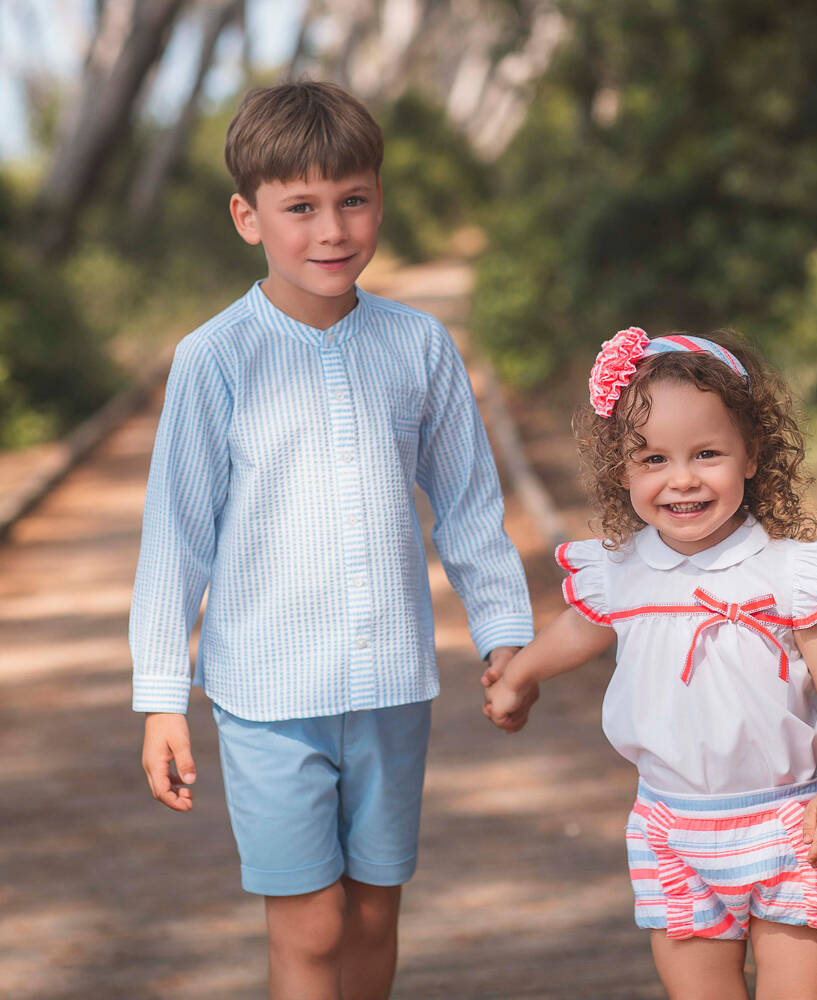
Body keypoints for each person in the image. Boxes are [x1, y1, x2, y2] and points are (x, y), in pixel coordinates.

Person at [130, 81, 535, 1000]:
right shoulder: (214, 359)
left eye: (353, 200)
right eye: (300, 207)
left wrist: (507, 640)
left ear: (380, 201)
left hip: (392, 684)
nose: (331, 231)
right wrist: (160, 696)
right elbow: (175, 541)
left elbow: (470, 510)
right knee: (310, 922)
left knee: (374, 912)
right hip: (268, 694)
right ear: (248, 216)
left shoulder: (420, 346)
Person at [483, 327, 817, 999]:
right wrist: (518, 676)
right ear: (623, 471)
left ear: (751, 454)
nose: (682, 478)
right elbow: (578, 633)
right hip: (673, 830)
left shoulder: (785, 574)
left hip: (788, 826)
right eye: (653, 459)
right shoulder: (624, 573)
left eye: (707, 454)